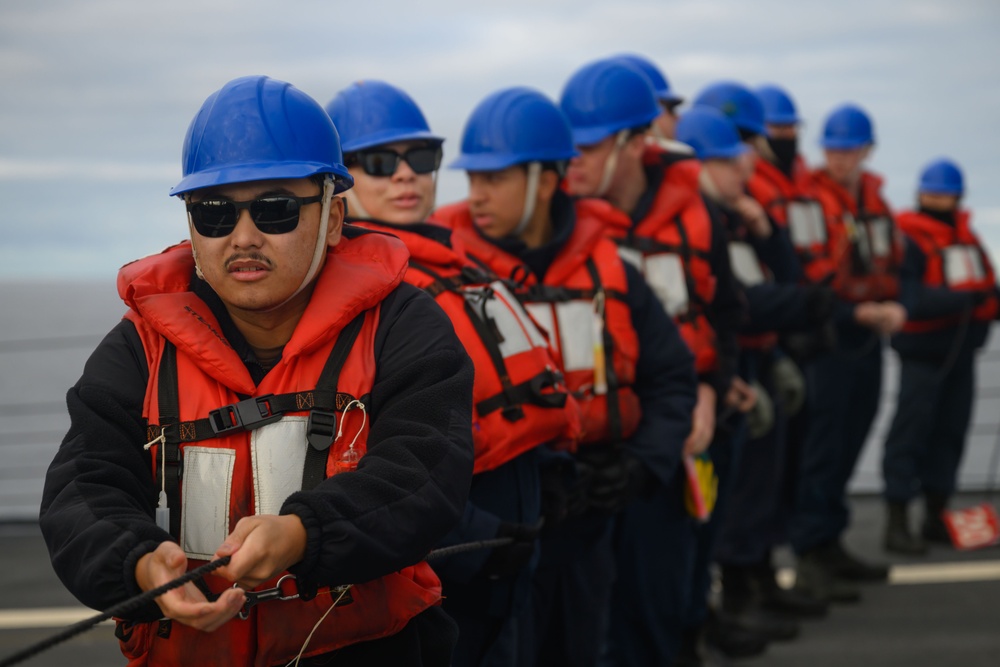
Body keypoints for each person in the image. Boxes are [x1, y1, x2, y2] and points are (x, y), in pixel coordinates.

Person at [38, 75, 475, 667]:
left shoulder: (403, 326)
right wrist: (140, 562)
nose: (243, 237)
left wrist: (303, 532)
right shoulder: (139, 348)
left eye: (275, 210)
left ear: (335, 216)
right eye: (214, 214)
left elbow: (426, 469)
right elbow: (84, 486)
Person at [432, 85, 698, 667]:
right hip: (500, 527)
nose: (476, 194)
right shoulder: (447, 277)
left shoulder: (613, 271)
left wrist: (640, 466)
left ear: (547, 180)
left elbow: (672, 378)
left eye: (494, 178)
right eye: (472, 178)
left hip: (591, 522)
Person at [326, 79, 583, 667]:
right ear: (335, 181)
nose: (405, 175)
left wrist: (552, 474)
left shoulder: (456, 265)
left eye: (421, 158)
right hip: (452, 562)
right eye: (378, 162)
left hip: (515, 542)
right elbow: (370, 456)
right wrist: (474, 545)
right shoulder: (353, 299)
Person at [557, 60, 747, 666]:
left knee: (664, 586)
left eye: (589, 145)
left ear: (637, 143)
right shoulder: (560, 220)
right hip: (591, 448)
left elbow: (724, 310)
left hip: (673, 434)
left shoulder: (699, 215)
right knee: (589, 613)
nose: (574, 159)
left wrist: (712, 390)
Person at [788, 102, 918, 604]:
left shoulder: (876, 201)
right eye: (833, 150)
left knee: (853, 437)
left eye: (849, 150)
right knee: (821, 446)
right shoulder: (808, 201)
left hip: (869, 337)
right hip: (830, 338)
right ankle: (807, 552)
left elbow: (898, 264)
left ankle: (830, 541)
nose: (840, 159)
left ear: (867, 150)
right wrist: (853, 312)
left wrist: (897, 307)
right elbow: (806, 275)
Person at [882, 158, 999, 554]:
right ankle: (896, 523)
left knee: (949, 434)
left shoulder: (967, 240)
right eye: (931, 193)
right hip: (923, 355)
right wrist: (969, 300)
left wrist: (988, 301)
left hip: (962, 353)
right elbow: (910, 297)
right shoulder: (909, 240)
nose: (937, 200)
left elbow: (986, 286)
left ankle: (935, 517)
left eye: (944, 194)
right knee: (909, 435)